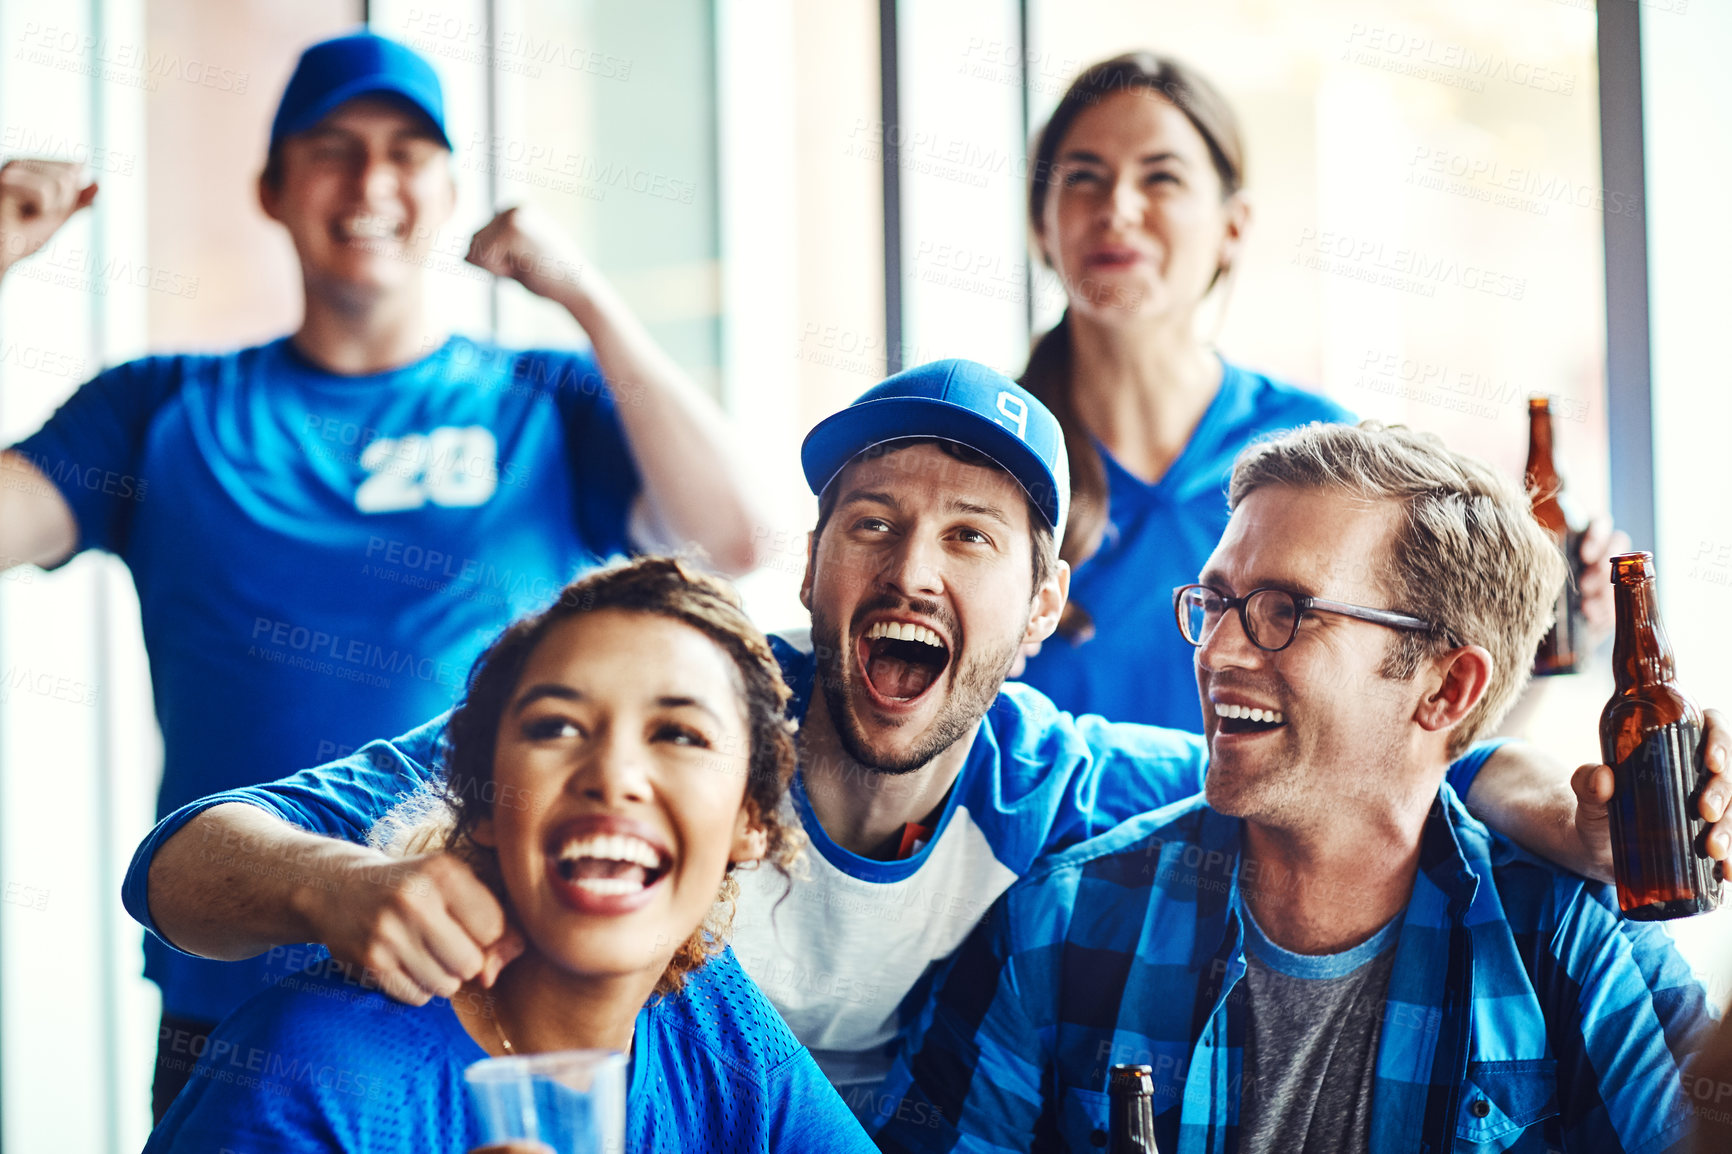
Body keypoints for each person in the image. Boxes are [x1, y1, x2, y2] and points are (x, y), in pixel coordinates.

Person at [125, 362, 1732, 1117]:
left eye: (972, 539)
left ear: (1044, 613)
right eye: (872, 523)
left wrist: (1553, 808)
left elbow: (1359, 789)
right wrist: (344, 891)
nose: (910, 567)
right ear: (810, 570)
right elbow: (181, 865)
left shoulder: (1081, 797)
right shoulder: (662, 728)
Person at [0, 31, 761, 1119]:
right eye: (334, 149)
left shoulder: (541, 398)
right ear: (272, 188)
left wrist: (582, 291)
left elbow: (736, 533)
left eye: (408, 152)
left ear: (448, 189)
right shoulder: (156, 408)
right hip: (231, 1005)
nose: (371, 182)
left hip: (498, 1009)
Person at [874, 421, 1714, 1153]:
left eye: (1284, 609)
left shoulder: (1576, 958)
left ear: (1446, 690)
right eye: (1216, 601)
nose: (1218, 652)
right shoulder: (1057, 928)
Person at [144, 557, 872, 1151]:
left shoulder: (718, 1023)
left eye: (680, 734)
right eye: (556, 726)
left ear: (752, 820)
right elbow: (168, 869)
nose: (613, 777)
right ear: (486, 801)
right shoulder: (313, 1077)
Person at [1011, 52, 1622, 731]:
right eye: (1085, 179)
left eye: (1161, 178)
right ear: (1042, 223)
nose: (1118, 209)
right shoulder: (991, 455)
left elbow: (1411, 745)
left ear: (1233, 227)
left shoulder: (1326, 460)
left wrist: (1538, 645)